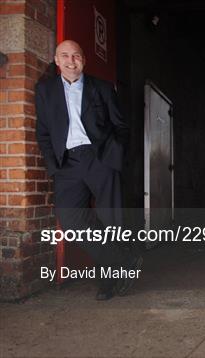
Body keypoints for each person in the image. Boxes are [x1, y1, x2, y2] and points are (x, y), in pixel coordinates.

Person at [35, 40, 142, 300]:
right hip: (67, 164)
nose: (71, 61)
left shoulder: (103, 88)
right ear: (56, 60)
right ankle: (124, 260)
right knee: (71, 221)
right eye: (65, 56)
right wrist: (54, 166)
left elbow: (121, 126)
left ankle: (107, 282)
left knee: (110, 220)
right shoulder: (45, 90)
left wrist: (114, 157)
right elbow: (44, 131)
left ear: (84, 59)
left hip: (100, 159)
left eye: (76, 55)